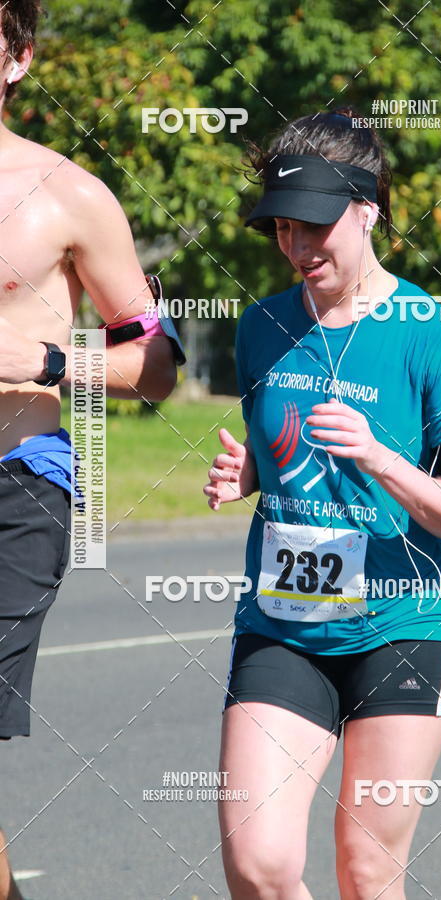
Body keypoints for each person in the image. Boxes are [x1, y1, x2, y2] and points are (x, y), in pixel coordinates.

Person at [204, 108, 441, 899]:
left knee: (366, 868)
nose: (297, 249)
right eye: (281, 230)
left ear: (366, 212)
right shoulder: (262, 326)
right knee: (259, 866)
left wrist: (380, 457)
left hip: (408, 626)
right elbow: (288, 446)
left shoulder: (438, 336)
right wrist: (254, 476)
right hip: (285, 624)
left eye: (314, 228)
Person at [0, 4, 180, 898]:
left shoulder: (67, 195)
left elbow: (158, 362)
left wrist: (40, 359)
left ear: (18, 60)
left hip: (14, 485)